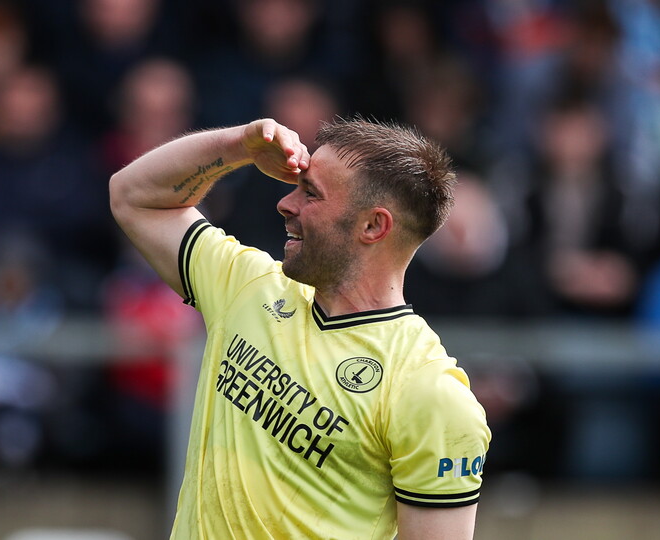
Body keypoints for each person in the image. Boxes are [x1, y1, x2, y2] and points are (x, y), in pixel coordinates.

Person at [109, 117, 490, 539]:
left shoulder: (429, 390)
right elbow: (133, 195)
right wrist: (240, 146)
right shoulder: (248, 286)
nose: (286, 204)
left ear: (373, 226)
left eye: (310, 193)